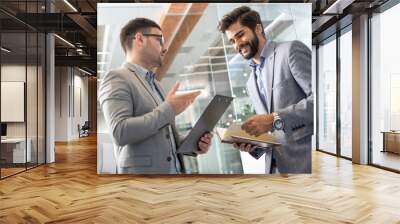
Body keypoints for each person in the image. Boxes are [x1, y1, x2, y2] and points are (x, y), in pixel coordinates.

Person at [99, 18, 213, 174]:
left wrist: (193, 143)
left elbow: (167, 139)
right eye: (160, 39)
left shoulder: (156, 84)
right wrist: (169, 109)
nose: (164, 48)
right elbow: (120, 132)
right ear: (139, 39)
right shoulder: (117, 78)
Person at [218, 6, 313, 173]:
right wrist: (253, 146)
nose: (237, 44)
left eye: (240, 35)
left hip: (304, 163)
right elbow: (273, 134)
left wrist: (274, 118)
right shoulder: (250, 82)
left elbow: (323, 102)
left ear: (258, 28)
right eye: (232, 41)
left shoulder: (290, 51)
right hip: (275, 172)